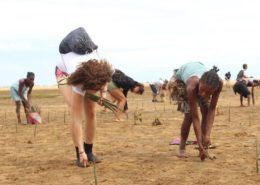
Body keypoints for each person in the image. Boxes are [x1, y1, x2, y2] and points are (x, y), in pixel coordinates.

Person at [55, 27, 114, 167]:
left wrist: (102, 93)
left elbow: (105, 81)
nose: (94, 92)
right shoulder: (78, 81)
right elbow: (76, 118)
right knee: (77, 111)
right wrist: (81, 153)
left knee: (91, 112)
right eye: (92, 90)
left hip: (89, 76)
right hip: (63, 73)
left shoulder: (108, 68)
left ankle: (90, 151)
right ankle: (80, 153)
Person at [171, 62, 223, 161]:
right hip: (181, 79)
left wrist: (207, 135)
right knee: (190, 115)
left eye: (208, 92)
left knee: (206, 111)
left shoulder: (218, 84)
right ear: (200, 82)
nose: (203, 94)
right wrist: (199, 144)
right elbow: (196, 117)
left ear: (214, 89)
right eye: (202, 89)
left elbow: (212, 109)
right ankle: (182, 147)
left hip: (198, 75)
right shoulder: (192, 87)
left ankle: (205, 148)